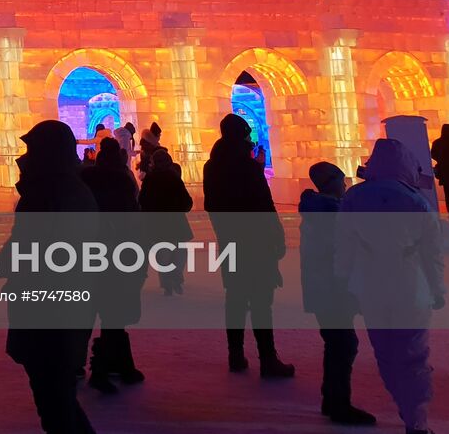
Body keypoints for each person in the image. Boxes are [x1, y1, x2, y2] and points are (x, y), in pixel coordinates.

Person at [338, 138, 445, 434]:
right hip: (410, 285)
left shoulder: (353, 198)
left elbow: (344, 247)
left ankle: (401, 400)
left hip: (370, 285)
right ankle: (416, 418)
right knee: (413, 352)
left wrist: (344, 282)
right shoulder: (416, 202)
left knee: (384, 349)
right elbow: (431, 252)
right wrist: (438, 289)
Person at [1, 121, 99, 434]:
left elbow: (32, 246)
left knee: (54, 402)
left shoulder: (46, 193)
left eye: (32, 149)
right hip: (64, 308)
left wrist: (6, 263)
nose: (24, 157)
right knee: (59, 399)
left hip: (49, 310)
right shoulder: (69, 188)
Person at [203, 113, 294, 377]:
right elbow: (264, 206)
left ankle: (236, 355)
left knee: (235, 299)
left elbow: (212, 205)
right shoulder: (247, 166)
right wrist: (276, 237)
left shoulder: (212, 166)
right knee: (261, 302)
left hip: (230, 242)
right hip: (256, 243)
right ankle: (268, 358)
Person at [300, 161, 376, 426]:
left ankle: (332, 398)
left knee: (337, 342)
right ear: (332, 183)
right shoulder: (331, 214)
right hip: (333, 288)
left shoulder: (318, 209)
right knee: (343, 343)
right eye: (342, 181)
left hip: (323, 288)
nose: (345, 186)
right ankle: (338, 404)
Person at [80, 136, 147, 393]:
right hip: (117, 252)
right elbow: (131, 217)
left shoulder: (87, 178)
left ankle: (106, 365)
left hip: (91, 253)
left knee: (94, 314)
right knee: (114, 315)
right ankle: (104, 368)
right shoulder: (122, 180)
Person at [138, 148, 192, 295]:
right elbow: (186, 201)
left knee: (163, 253)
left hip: (157, 223)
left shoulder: (149, 179)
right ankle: (176, 276)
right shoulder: (174, 178)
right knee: (179, 250)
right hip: (176, 221)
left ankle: (167, 281)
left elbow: (143, 201)